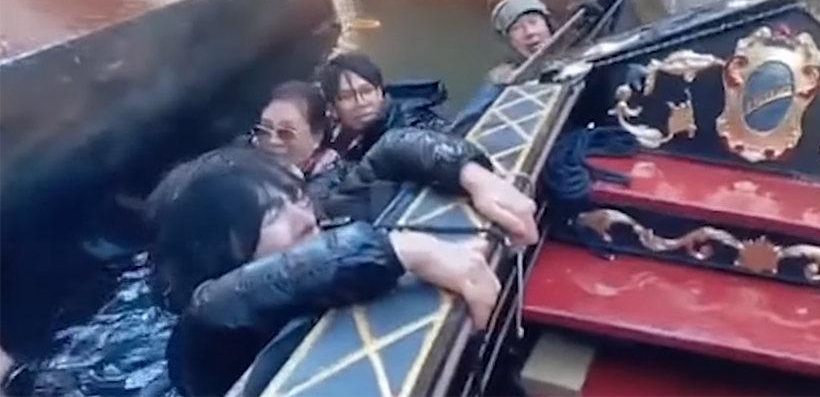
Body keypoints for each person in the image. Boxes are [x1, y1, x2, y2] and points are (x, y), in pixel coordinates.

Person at [149, 130, 536, 396]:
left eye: (295, 197)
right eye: (271, 216)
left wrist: (472, 174)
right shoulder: (204, 336)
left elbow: (391, 151)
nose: (303, 217)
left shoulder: (323, 221)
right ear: (216, 251)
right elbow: (214, 305)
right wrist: (403, 249)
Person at [253, 81, 536, 236]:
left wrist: (473, 174)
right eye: (264, 130)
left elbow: (395, 145)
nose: (272, 141)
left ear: (317, 136)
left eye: (286, 133)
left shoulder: (332, 183)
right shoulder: (247, 166)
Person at [316, 53, 449, 162]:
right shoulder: (341, 137)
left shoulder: (410, 122)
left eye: (367, 91)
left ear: (380, 92)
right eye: (347, 96)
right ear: (332, 107)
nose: (361, 102)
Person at [488, 0, 556, 83]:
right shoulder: (502, 80)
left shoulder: (574, 60)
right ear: (509, 42)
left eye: (533, 22)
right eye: (516, 28)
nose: (529, 32)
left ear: (549, 25)